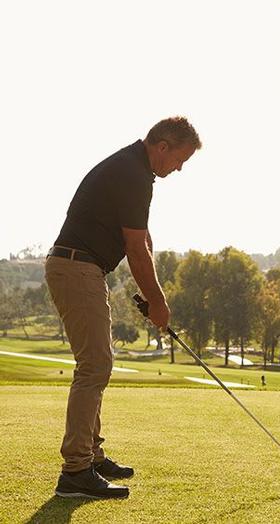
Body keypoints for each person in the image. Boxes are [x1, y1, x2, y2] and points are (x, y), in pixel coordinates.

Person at [48, 117, 199, 499]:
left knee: (99, 361)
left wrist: (152, 296)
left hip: (84, 267)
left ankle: (92, 457)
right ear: (162, 146)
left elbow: (143, 239)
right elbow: (134, 249)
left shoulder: (136, 171)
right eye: (179, 159)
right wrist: (159, 301)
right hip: (76, 266)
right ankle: (76, 471)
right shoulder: (132, 173)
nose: (178, 168)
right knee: (95, 365)